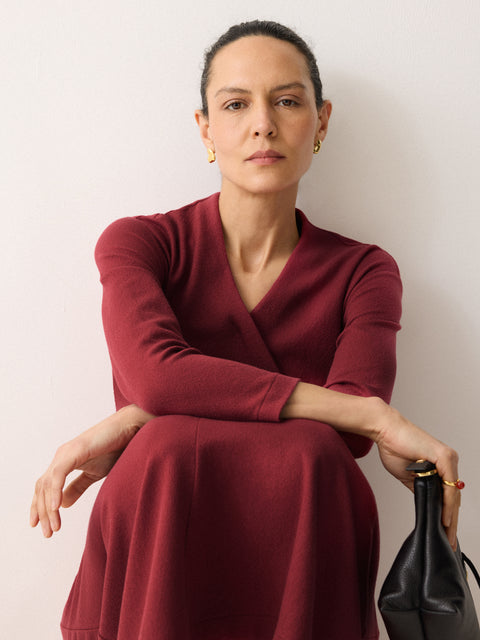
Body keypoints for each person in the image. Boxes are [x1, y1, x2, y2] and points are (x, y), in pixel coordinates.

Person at [30, 20, 462, 640]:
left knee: (312, 456)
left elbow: (345, 436)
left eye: (287, 101)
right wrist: (371, 414)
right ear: (205, 128)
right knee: (177, 451)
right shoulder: (140, 244)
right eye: (235, 104)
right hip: (162, 520)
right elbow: (161, 376)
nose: (263, 123)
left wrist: (142, 417)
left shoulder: (365, 271)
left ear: (322, 121)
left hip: (304, 525)